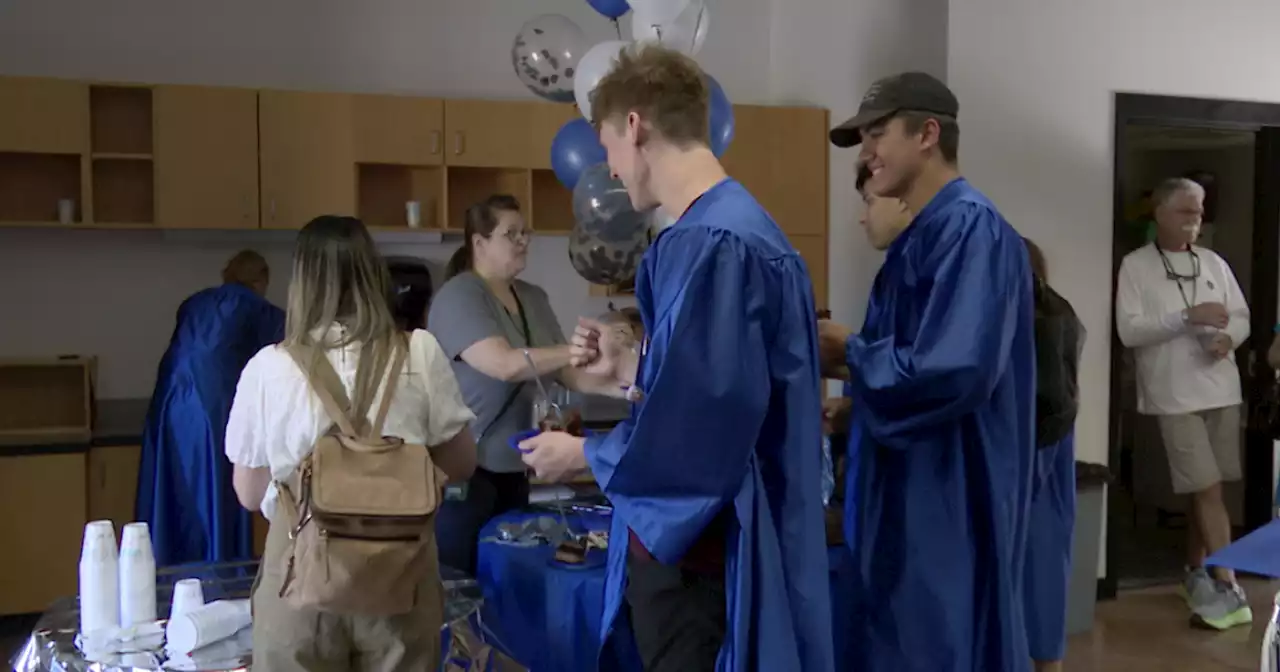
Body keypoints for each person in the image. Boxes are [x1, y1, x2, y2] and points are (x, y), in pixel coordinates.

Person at [516, 44, 834, 672]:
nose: (608, 167)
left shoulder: (711, 244)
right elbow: (723, 391)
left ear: (634, 126)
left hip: (703, 563)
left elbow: (697, 438)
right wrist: (632, 371)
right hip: (728, 545)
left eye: (606, 144)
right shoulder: (743, 231)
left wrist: (583, 455)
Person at [820, 71, 1037, 671]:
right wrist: (857, 403)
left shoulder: (971, 230)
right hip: (907, 489)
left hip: (947, 494)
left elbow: (956, 369)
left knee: (936, 641)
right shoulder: (925, 236)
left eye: (877, 134)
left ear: (928, 134)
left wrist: (851, 352)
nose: (867, 154)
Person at [224, 215, 478, 671]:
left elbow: (247, 492)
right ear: (372, 274)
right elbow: (461, 462)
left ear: (301, 282)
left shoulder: (268, 368)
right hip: (401, 579)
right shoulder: (419, 351)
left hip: (300, 582)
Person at [427, 194, 620, 574]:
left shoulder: (532, 296)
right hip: (465, 470)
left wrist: (624, 387)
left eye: (525, 232)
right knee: (460, 580)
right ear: (479, 243)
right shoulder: (459, 296)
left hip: (515, 467)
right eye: (510, 233)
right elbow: (503, 364)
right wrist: (573, 349)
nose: (523, 241)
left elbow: (565, 370)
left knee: (510, 574)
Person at [1115, 177, 1252, 630]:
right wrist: (1186, 318)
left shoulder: (1213, 261)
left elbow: (1242, 315)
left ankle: (1195, 572)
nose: (1195, 219)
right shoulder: (1136, 267)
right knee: (1208, 489)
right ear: (1160, 213)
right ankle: (1228, 585)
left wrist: (1227, 338)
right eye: (1186, 211)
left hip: (1222, 389)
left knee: (1212, 489)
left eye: (1199, 211)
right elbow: (1130, 331)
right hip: (1174, 396)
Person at [136, 249, 285, 567]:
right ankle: (218, 573)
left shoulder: (194, 302)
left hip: (171, 401)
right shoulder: (260, 310)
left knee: (174, 486)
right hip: (215, 405)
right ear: (261, 280)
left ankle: (168, 571)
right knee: (219, 485)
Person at [1022, 237, 1085, 672]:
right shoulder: (1059, 318)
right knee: (1046, 577)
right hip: (1052, 474)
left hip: (1028, 469)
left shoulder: (1026, 328)